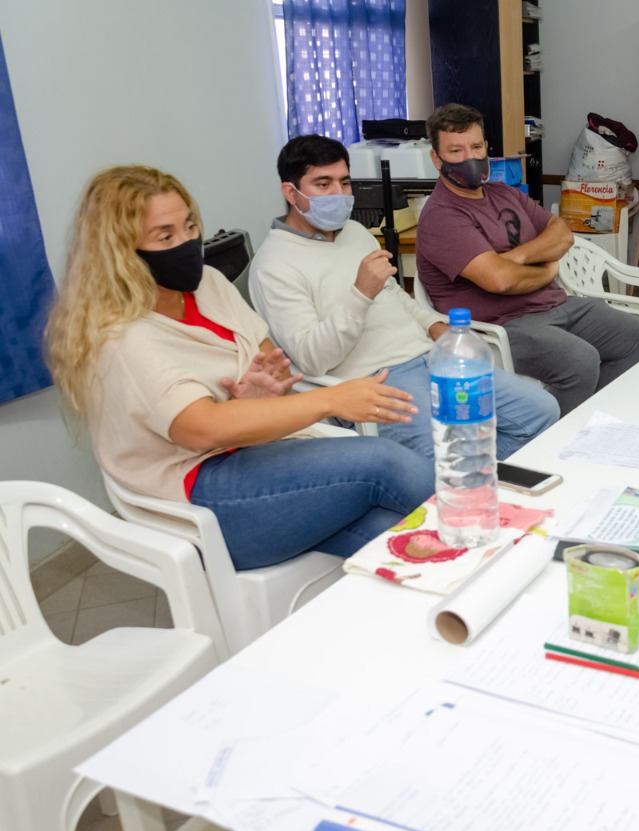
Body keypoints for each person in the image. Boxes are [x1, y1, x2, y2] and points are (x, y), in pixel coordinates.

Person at [45, 165, 435, 570]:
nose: (187, 243)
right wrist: (331, 399)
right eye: (166, 236)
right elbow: (201, 428)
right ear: (120, 251)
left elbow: (273, 365)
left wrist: (261, 394)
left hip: (256, 455)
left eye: (191, 226)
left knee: (397, 532)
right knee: (381, 462)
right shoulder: (121, 336)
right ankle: (491, 531)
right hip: (200, 495)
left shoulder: (208, 284)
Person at [249, 134, 559, 461]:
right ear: (290, 192)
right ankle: (466, 486)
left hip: (428, 357)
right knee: (455, 450)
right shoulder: (273, 265)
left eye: (344, 182)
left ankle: (481, 482)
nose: (338, 195)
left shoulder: (353, 232)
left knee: (541, 411)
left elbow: (394, 292)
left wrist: (433, 325)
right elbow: (312, 359)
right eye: (323, 184)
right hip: (375, 383)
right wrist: (360, 293)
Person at [416, 103, 639, 414]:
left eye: (476, 146)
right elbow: (500, 280)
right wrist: (546, 267)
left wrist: (517, 256)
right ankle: (546, 447)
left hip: (553, 304)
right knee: (580, 360)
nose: (469, 158)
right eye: (456, 151)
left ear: (486, 146)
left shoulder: (504, 193)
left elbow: (562, 233)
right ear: (436, 159)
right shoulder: (442, 216)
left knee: (634, 335)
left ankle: (592, 420)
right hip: (499, 324)